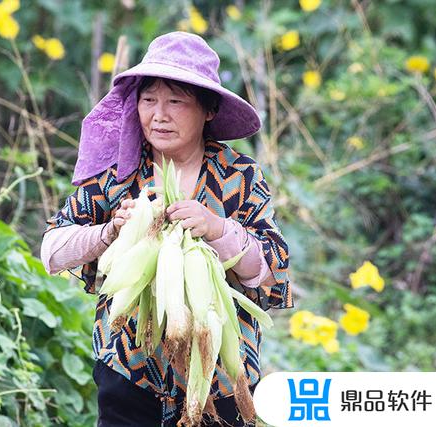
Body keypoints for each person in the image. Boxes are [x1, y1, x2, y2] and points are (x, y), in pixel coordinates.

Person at [41, 31, 293, 427]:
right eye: (148, 100)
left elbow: (272, 267)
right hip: (127, 371)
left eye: (176, 101)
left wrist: (216, 229)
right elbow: (53, 251)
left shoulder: (238, 176)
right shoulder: (118, 174)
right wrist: (109, 232)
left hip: (220, 379)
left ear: (209, 110)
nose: (159, 115)